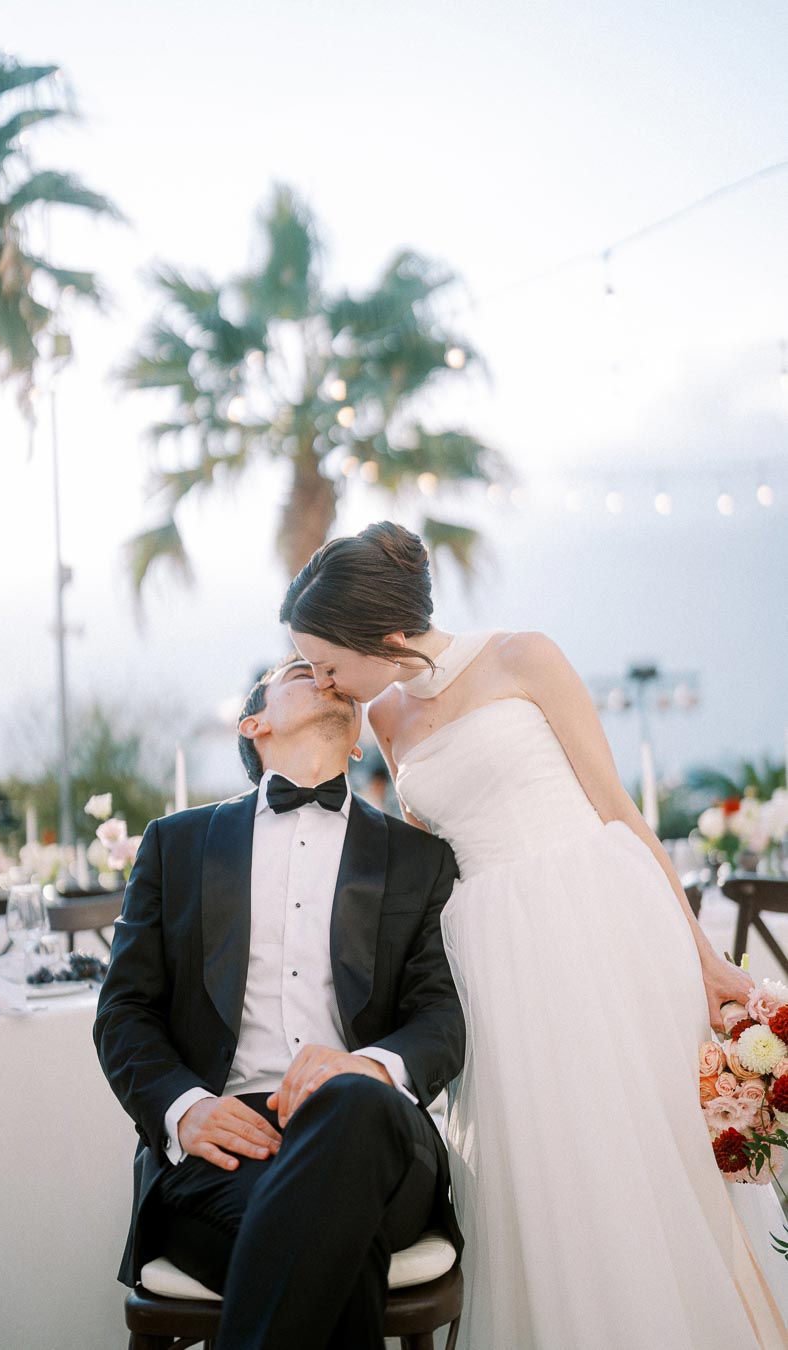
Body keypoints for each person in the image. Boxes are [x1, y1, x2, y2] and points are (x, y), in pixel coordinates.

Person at [280, 521, 787, 1350]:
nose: (326, 680)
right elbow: (427, 856)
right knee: (554, 1176)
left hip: (600, 921)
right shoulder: (385, 718)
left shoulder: (525, 656)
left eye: (331, 661)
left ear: (386, 636)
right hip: (492, 957)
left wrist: (702, 959)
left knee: (647, 1151)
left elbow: (618, 808)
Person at [94, 654, 465, 1350]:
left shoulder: (420, 860)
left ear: (358, 741)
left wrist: (370, 1070)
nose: (326, 678)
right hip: (224, 1150)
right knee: (329, 1240)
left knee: (348, 1109)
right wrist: (185, 1108)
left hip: (377, 1131)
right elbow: (124, 1013)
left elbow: (441, 1020)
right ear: (254, 722)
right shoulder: (175, 846)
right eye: (301, 672)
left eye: (335, 677)